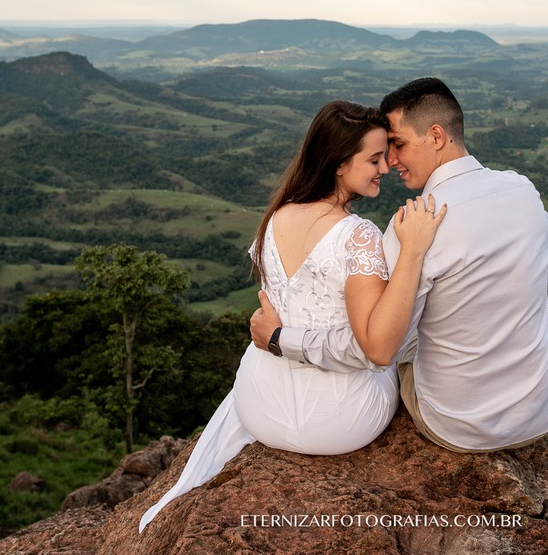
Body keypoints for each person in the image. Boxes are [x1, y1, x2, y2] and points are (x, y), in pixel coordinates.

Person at [251, 78, 548, 462]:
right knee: (544, 313)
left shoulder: (410, 225)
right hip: (541, 415)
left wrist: (279, 338)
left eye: (398, 144)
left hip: (454, 426)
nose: (390, 161)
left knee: (401, 338)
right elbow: (544, 273)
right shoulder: (523, 190)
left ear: (437, 135)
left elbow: (376, 349)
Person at [139, 100, 445, 532]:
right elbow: (376, 350)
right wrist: (412, 251)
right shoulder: (358, 235)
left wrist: (280, 335)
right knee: (407, 341)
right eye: (374, 158)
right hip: (341, 422)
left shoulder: (277, 216)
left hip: (261, 407)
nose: (385, 166)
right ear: (340, 164)